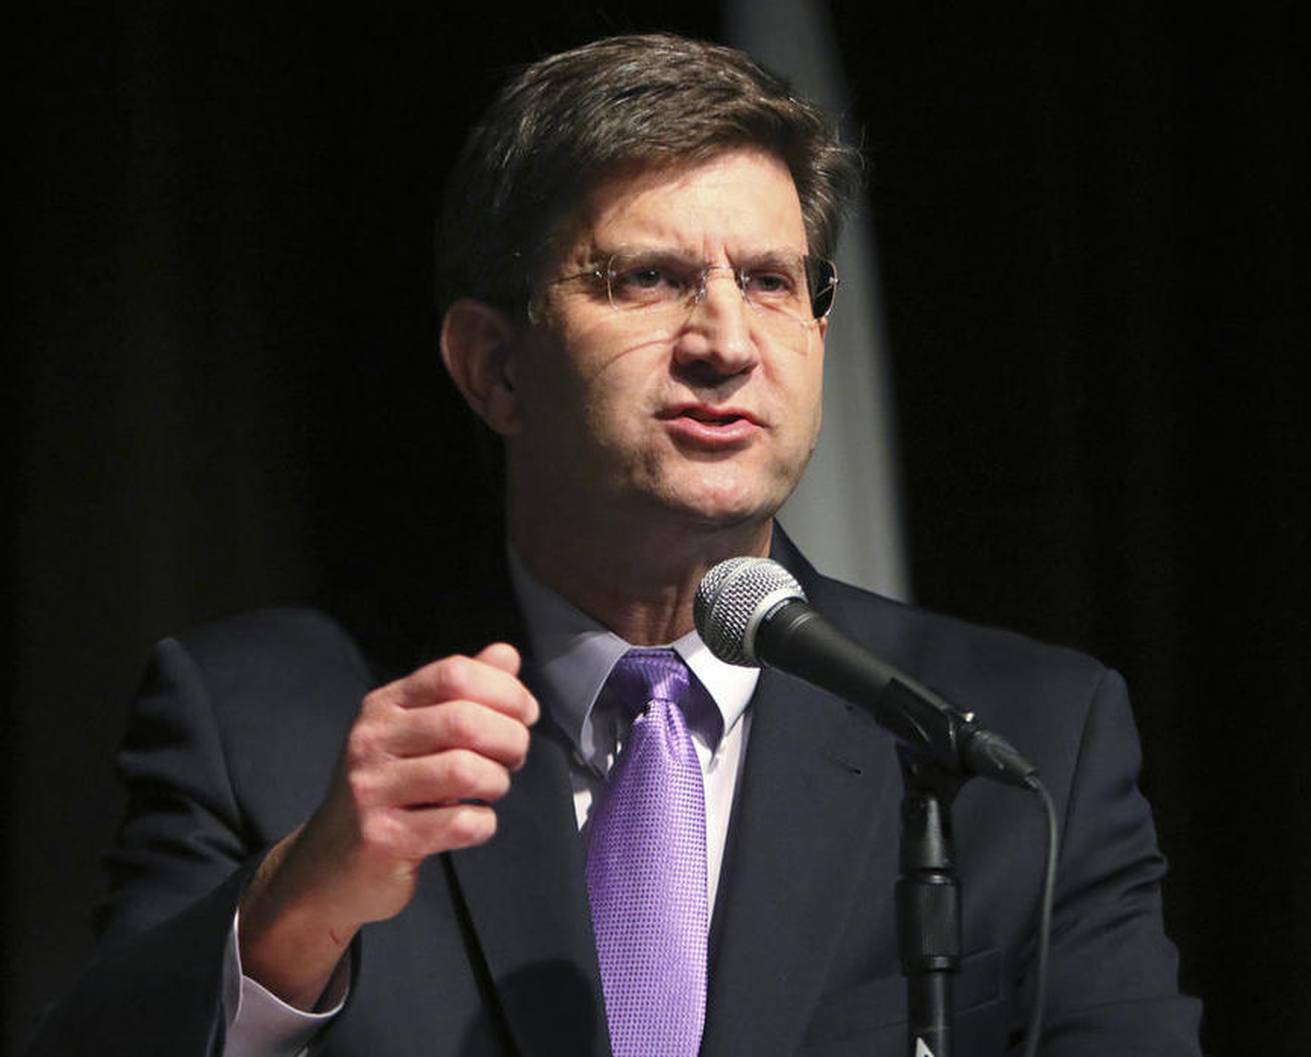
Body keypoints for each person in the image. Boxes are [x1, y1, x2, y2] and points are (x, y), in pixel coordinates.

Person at [26, 32, 1201, 1057]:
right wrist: (296, 909)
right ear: (494, 365)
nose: (728, 342)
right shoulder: (264, 720)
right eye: (650, 279)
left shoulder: (1013, 743)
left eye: (773, 281)